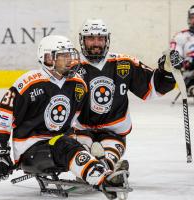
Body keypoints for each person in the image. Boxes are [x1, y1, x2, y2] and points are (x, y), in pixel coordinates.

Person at [0, 35, 126, 198]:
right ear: (48, 58)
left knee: (80, 139)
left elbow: (73, 123)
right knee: (64, 143)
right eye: (63, 56)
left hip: (57, 144)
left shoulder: (78, 85)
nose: (70, 60)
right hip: (31, 150)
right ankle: (103, 178)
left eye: (70, 55)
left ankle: (100, 165)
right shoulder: (28, 83)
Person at [70, 18, 180, 172]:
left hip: (113, 131)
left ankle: (104, 168)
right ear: (82, 40)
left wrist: (167, 72)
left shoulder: (124, 63)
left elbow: (152, 88)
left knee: (107, 158)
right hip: (80, 129)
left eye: (100, 38)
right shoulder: (70, 67)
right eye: (91, 38)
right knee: (81, 153)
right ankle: (96, 167)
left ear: (107, 40)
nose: (96, 43)